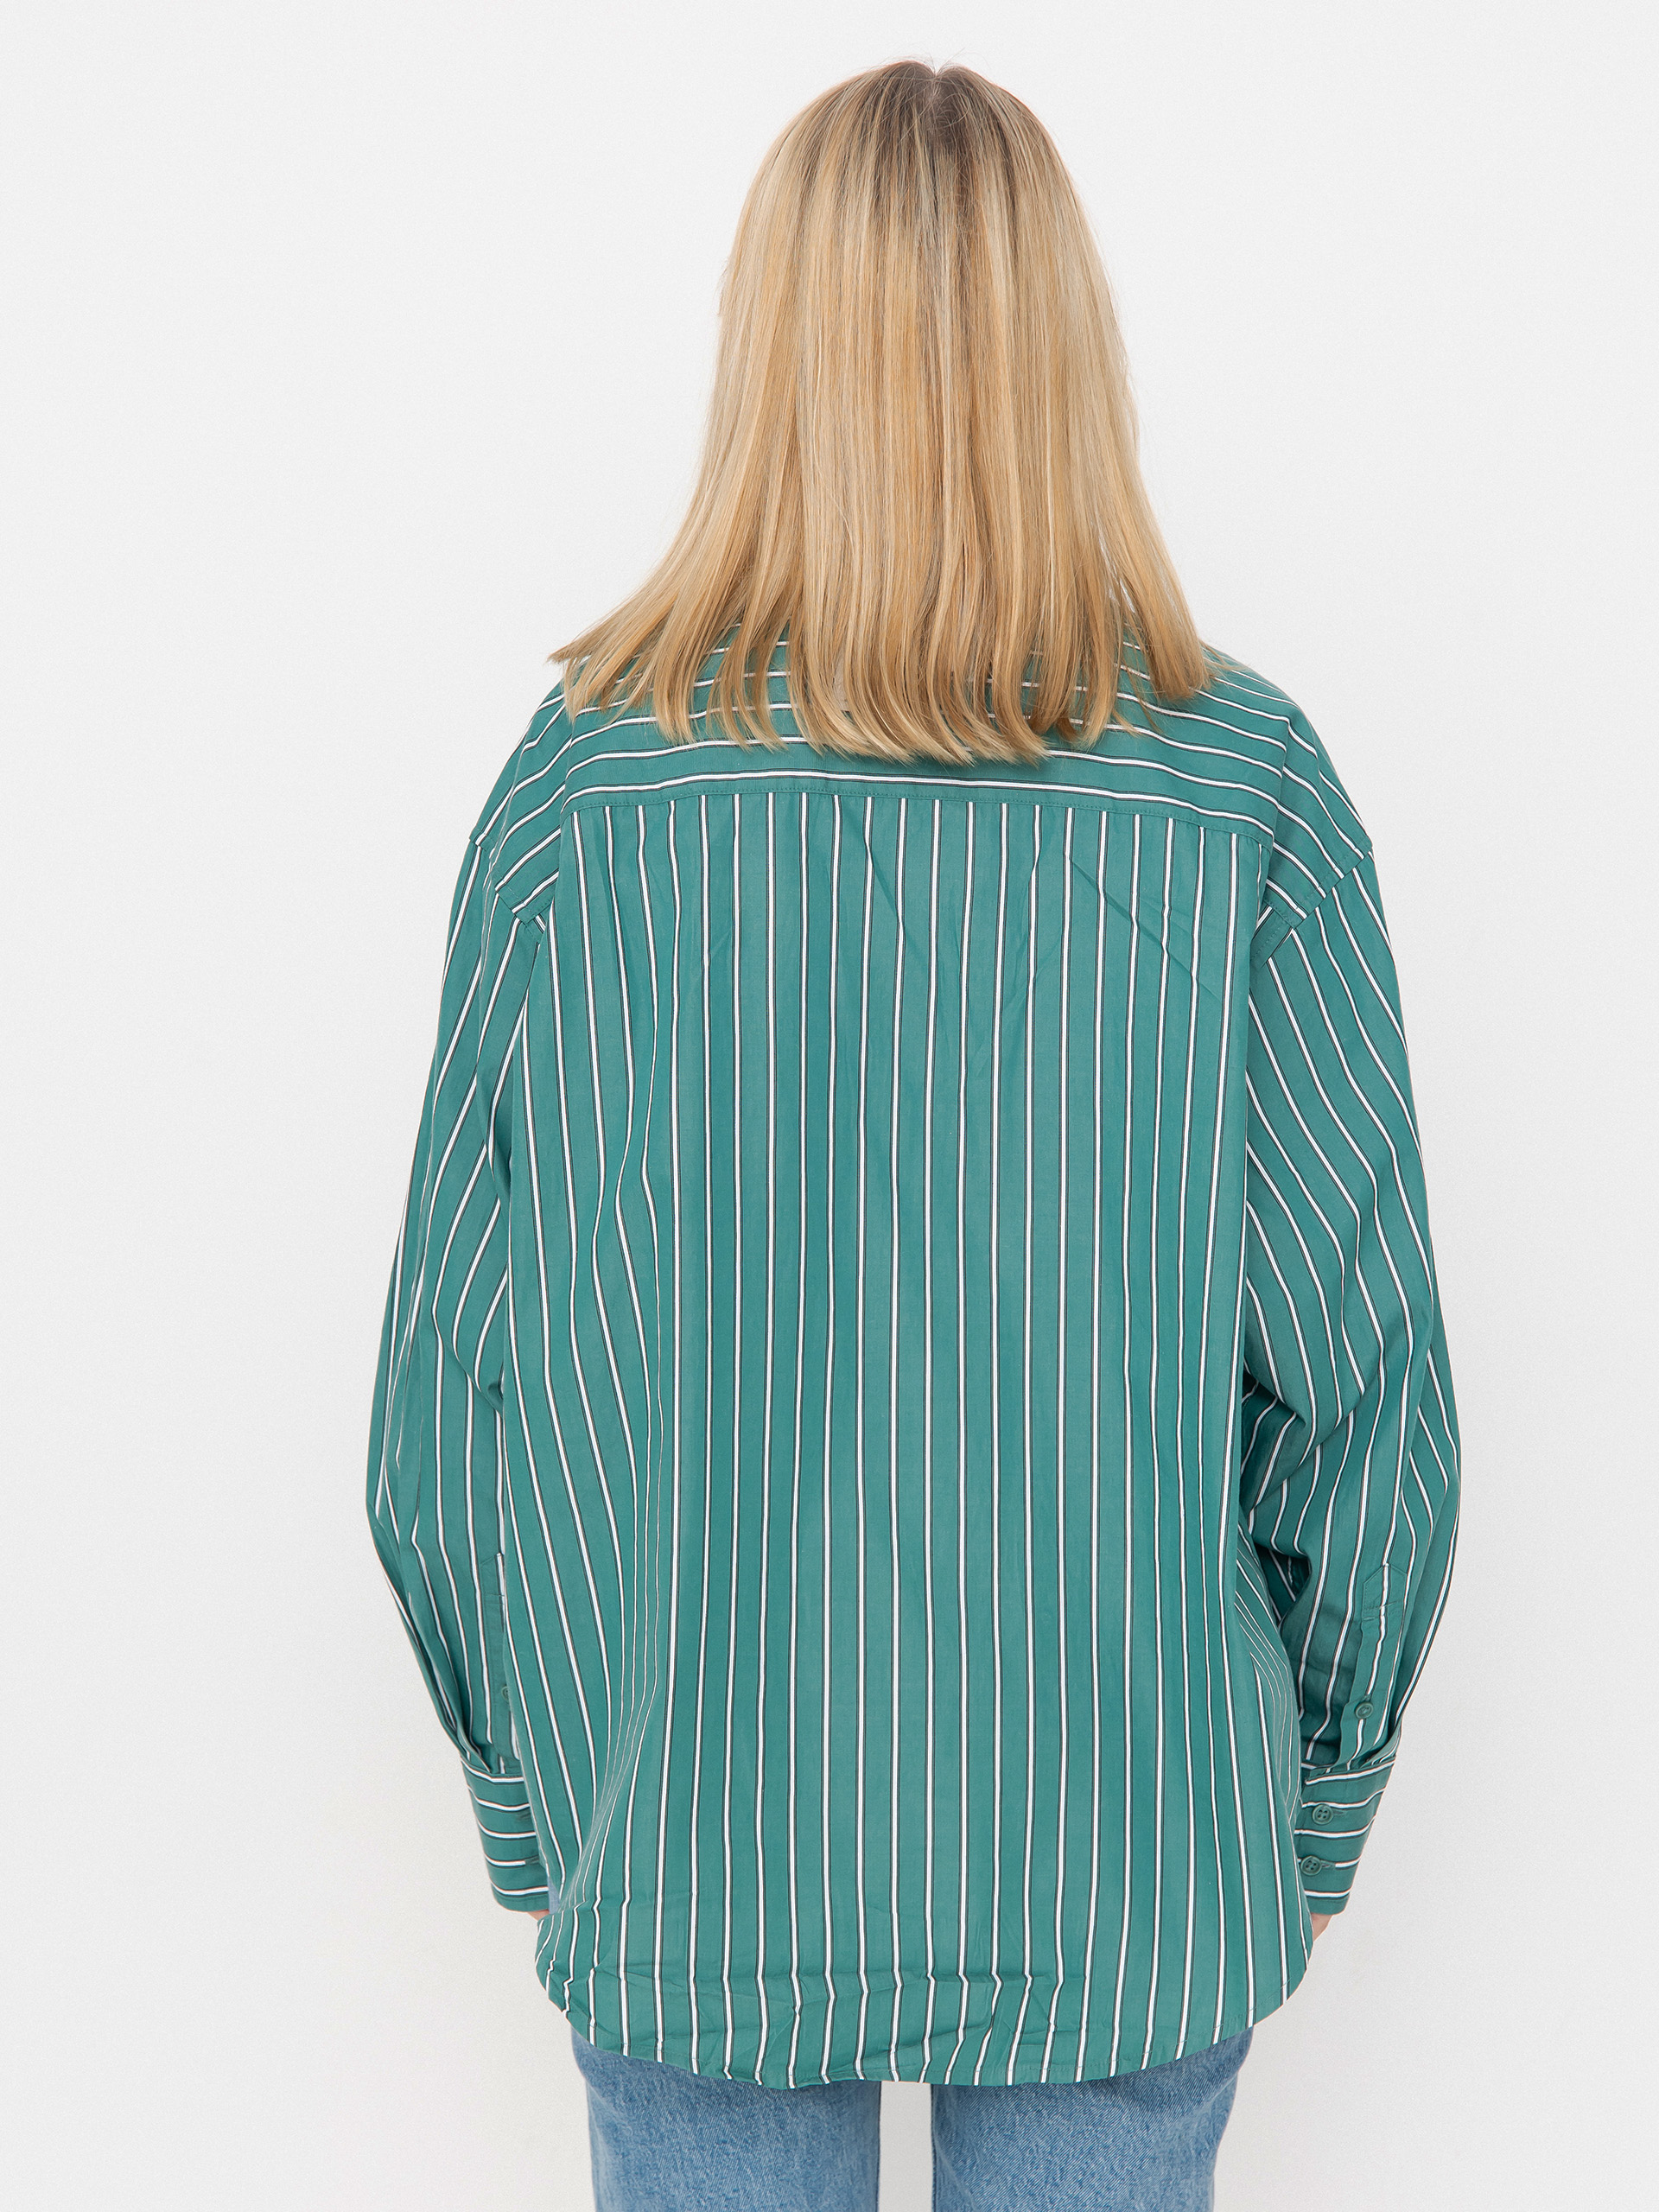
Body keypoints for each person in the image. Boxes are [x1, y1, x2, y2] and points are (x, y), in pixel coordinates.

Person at [366, 59, 1460, 2212]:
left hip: (690, 1840)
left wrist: (549, 1796)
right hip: (1129, 1849)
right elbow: (1359, 1382)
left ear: (764, 347)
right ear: (1071, 346)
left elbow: (456, 1397)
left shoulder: (589, 790)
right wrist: (1316, 1795)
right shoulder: (1240, 785)